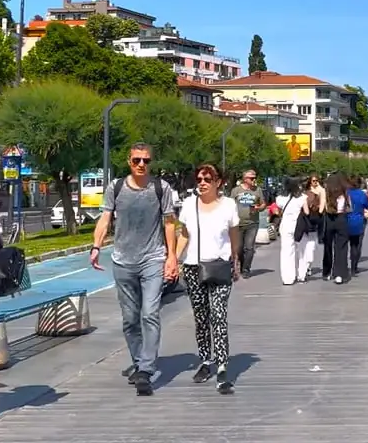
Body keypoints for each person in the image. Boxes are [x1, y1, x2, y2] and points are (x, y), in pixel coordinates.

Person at [91, 143, 178, 397]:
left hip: (152, 259)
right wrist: (96, 246)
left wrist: (172, 257)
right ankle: (140, 360)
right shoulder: (115, 188)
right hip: (122, 262)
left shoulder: (161, 188)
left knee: (150, 313)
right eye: (137, 160)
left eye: (146, 161)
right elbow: (105, 219)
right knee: (130, 319)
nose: (142, 165)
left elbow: (170, 223)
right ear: (128, 161)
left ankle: (146, 368)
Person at [175, 164, 240, 393]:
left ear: (218, 182)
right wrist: (174, 258)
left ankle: (222, 364)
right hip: (193, 267)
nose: (202, 183)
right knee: (201, 316)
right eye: (199, 179)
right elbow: (184, 234)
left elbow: (234, 233)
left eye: (207, 179)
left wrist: (236, 258)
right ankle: (205, 360)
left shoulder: (228, 206)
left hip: (220, 267)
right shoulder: (189, 205)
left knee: (218, 314)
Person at [229, 170, 264, 277]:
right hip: (238, 224)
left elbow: (263, 204)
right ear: (245, 179)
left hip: (252, 223)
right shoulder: (236, 191)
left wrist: (258, 208)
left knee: (249, 247)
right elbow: (229, 205)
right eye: (251, 178)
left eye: (254, 178)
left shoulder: (257, 190)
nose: (254, 180)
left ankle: (246, 270)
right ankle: (242, 264)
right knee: (239, 248)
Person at [275, 177, 309, 285]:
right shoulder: (303, 197)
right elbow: (307, 212)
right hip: (298, 226)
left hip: (285, 226)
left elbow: (278, 210)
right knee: (302, 251)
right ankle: (301, 274)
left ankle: (287, 278)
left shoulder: (280, 198)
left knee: (286, 252)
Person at [346, 175, 368, 276]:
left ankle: (342, 267)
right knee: (356, 245)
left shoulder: (346, 193)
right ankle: (354, 267)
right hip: (358, 222)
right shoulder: (362, 195)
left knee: (343, 246)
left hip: (345, 221)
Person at [323, 174, 352, 284]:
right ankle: (340, 273)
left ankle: (327, 271)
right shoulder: (344, 192)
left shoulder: (327, 193)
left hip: (329, 218)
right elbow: (349, 208)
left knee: (328, 246)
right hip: (341, 219)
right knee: (341, 247)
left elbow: (323, 207)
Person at [302, 176, 323, 278]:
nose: (316, 183)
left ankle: (307, 266)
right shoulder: (310, 194)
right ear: (310, 182)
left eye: (317, 181)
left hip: (310, 223)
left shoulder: (317, 193)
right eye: (314, 181)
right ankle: (307, 266)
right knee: (309, 245)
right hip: (309, 223)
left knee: (308, 245)